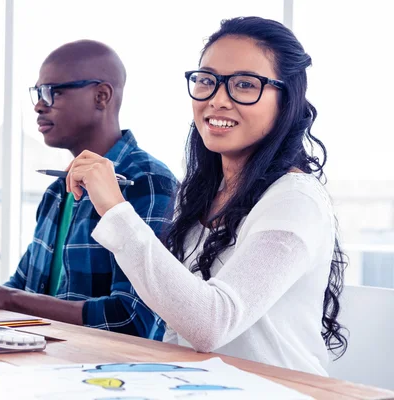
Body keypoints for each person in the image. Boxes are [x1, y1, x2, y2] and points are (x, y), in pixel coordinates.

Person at [65, 17, 347, 375]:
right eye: (207, 81)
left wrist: (114, 208)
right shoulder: (201, 192)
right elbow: (176, 324)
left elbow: (210, 324)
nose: (218, 100)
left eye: (245, 85)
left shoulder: (295, 200)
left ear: (287, 100)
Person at [0, 40, 178, 340]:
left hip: (106, 375)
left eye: (53, 92)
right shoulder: (56, 191)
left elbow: (133, 319)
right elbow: (23, 291)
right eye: (37, 93)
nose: (39, 105)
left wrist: (3, 297)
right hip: (46, 365)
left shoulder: (147, 181)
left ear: (101, 96)